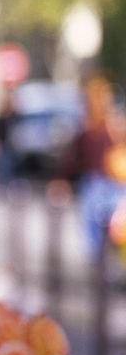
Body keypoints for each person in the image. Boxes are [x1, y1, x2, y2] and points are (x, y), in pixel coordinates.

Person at [74, 73, 126, 256]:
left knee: (108, 228)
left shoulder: (110, 124)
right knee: (105, 228)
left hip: (105, 181)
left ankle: (103, 267)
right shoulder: (89, 126)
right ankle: (103, 268)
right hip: (102, 181)